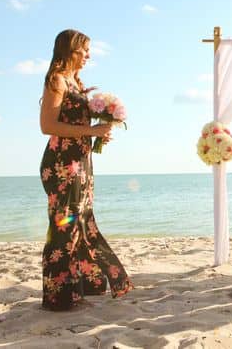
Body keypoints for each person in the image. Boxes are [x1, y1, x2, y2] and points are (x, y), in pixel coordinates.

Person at [39, 29, 133, 310]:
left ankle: (85, 286)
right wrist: (90, 129)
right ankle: (58, 297)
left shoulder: (75, 82)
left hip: (81, 163)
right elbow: (48, 126)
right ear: (70, 51)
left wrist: (101, 130)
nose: (89, 55)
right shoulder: (56, 80)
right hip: (61, 165)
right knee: (64, 227)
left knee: (82, 222)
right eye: (85, 50)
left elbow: (78, 125)